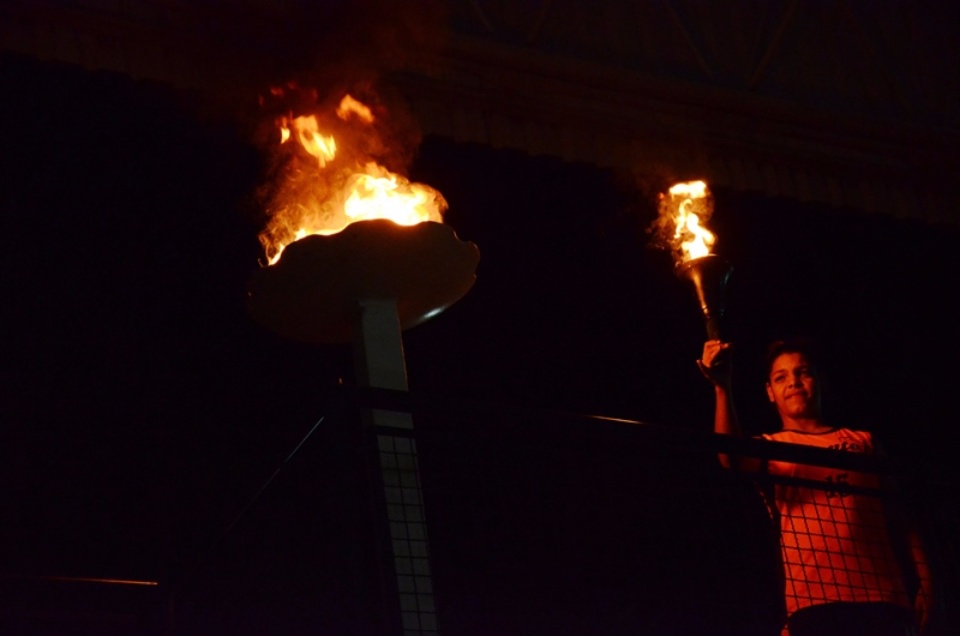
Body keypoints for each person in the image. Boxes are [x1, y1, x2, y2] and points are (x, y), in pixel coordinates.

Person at [699, 337, 934, 636]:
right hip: (814, 603)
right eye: (781, 377)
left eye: (803, 372)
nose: (793, 382)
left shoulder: (864, 441)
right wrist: (722, 386)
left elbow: (900, 515)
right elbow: (730, 457)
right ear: (770, 392)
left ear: (819, 380)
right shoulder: (772, 447)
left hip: (884, 598)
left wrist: (926, 579)